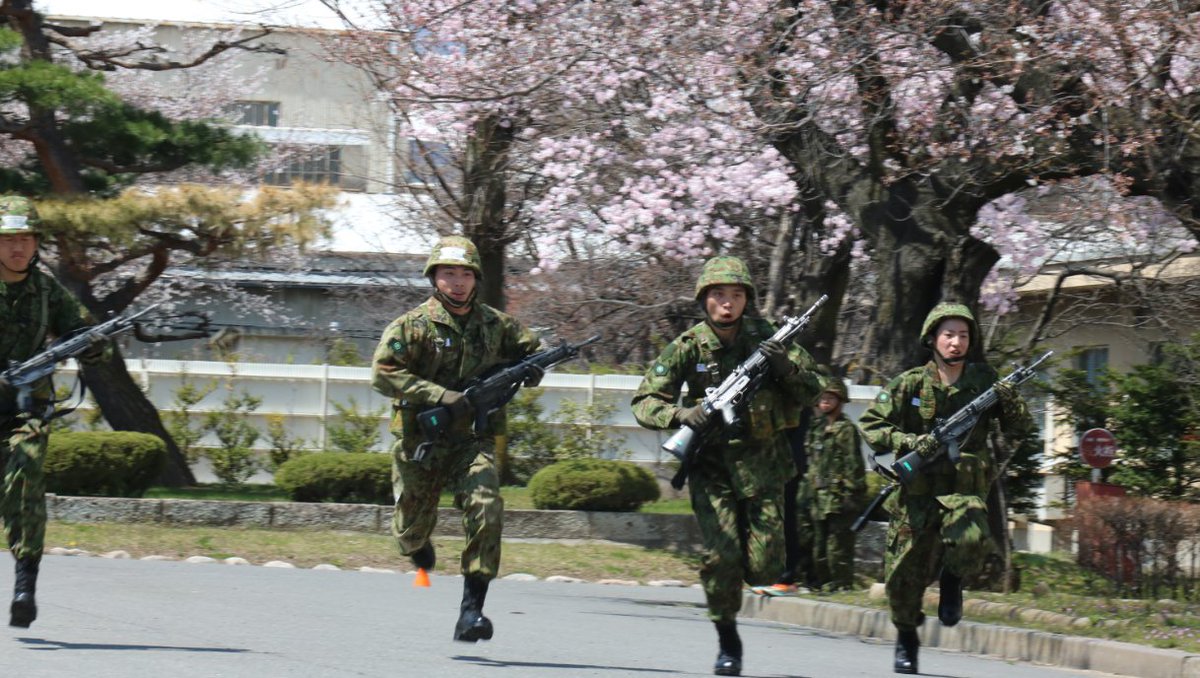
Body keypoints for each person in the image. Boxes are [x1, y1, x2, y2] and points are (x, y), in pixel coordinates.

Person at [631, 256, 821, 677]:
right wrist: (682, 415)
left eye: (736, 296)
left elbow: (814, 391)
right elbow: (644, 401)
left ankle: (744, 595)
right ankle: (727, 637)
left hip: (764, 463)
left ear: (746, 301)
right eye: (718, 295)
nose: (727, 303)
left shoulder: (770, 338)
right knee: (721, 556)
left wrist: (784, 367)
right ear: (704, 299)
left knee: (767, 564)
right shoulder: (688, 345)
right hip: (712, 465)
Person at [370, 235, 542, 642]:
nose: (458, 281)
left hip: (473, 440)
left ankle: (471, 611)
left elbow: (531, 349)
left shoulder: (496, 324)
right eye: (449, 273)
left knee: (486, 508)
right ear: (434, 277)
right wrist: (441, 396)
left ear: (476, 278)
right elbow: (382, 374)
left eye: (465, 273)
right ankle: (418, 551)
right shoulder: (411, 326)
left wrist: (533, 368)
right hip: (421, 440)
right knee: (410, 528)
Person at [858, 302, 1034, 674]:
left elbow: (1021, 430)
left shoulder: (985, 381)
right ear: (933, 338)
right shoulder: (910, 383)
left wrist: (1010, 399)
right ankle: (907, 638)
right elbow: (871, 425)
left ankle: (953, 579)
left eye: (964, 335)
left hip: (963, 490)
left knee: (972, 538)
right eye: (949, 334)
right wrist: (908, 442)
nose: (956, 342)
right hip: (916, 493)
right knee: (901, 579)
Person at [0, 195, 108, 628]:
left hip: (26, 410)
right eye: (8, 238)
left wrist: (97, 344)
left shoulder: (47, 290)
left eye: (26, 237)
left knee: (25, 473)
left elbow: (83, 332)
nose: (17, 247)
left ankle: (25, 583)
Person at [805, 376, 866, 591]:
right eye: (823, 397)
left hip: (839, 499)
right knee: (818, 548)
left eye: (831, 397)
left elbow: (854, 464)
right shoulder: (816, 428)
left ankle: (842, 586)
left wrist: (852, 495)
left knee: (838, 548)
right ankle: (824, 584)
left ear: (840, 401)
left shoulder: (846, 429)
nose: (825, 401)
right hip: (818, 498)